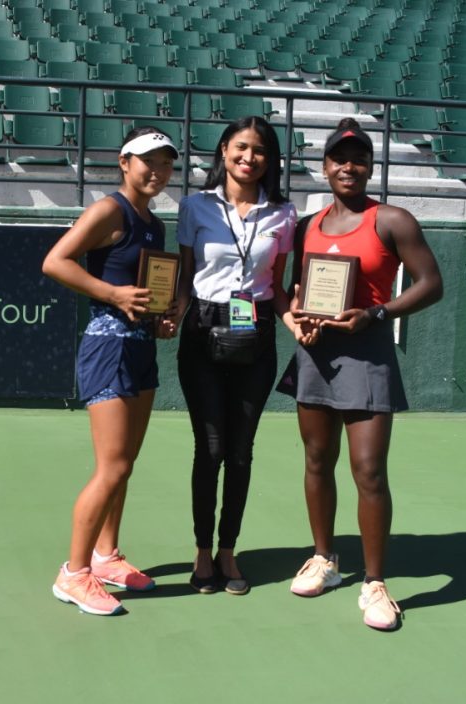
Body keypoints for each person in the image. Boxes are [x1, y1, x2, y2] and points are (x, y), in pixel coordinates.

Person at [277, 118, 443, 630]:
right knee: (316, 459)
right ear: (324, 166)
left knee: (369, 471)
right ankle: (325, 559)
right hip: (316, 353)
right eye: (339, 158)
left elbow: (431, 283)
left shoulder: (392, 219)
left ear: (370, 166)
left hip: (368, 351)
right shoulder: (306, 224)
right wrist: (298, 320)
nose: (348, 166)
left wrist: (378, 314)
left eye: (359, 158)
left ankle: (374, 583)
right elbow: (292, 289)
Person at [42, 127, 181, 616]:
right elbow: (55, 262)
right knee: (113, 466)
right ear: (124, 162)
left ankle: (106, 557)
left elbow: (149, 289)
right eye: (148, 161)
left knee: (125, 465)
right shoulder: (108, 210)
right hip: (107, 349)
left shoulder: (154, 224)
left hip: (141, 349)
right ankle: (73, 573)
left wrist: (162, 316)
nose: (157, 172)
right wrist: (113, 294)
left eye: (166, 164)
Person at [174, 116, 303, 596]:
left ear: (270, 160)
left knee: (241, 452)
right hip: (203, 335)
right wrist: (172, 315)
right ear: (224, 150)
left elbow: (279, 287)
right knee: (209, 449)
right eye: (241, 147)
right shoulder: (194, 206)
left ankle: (230, 549)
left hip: (257, 335)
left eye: (261, 150)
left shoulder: (284, 215)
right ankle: (203, 551)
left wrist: (296, 325)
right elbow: (186, 278)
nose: (250, 158)